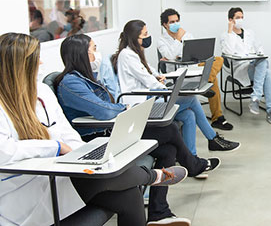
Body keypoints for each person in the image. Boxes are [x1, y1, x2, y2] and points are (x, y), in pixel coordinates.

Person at [0, 33, 188, 226]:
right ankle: (153, 176)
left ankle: (154, 182)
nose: (41, 63)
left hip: (60, 173)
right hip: (23, 192)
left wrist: (81, 153)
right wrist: (56, 147)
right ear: (19, 67)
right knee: (103, 178)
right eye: (35, 59)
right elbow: (4, 152)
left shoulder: (42, 92)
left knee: (129, 194)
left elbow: (66, 131)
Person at [55, 35, 219, 224]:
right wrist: (125, 109)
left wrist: (124, 110)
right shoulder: (70, 83)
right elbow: (104, 110)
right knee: (169, 131)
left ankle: (159, 212)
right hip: (101, 137)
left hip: (114, 129)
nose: (97, 53)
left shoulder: (86, 78)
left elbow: (105, 108)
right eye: (93, 48)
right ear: (80, 54)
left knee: (168, 149)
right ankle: (192, 166)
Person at [111, 20, 240, 156]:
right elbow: (147, 80)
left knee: (189, 115)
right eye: (145, 34)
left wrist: (158, 76)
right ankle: (213, 139)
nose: (148, 36)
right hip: (141, 106)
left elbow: (148, 70)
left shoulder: (134, 52)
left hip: (150, 98)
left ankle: (192, 157)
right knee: (191, 99)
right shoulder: (127, 55)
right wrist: (164, 87)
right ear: (134, 37)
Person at [158, 8, 233, 131]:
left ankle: (207, 79)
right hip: (178, 74)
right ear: (165, 25)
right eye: (172, 22)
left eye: (177, 21)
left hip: (193, 66)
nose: (175, 24)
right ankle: (217, 117)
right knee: (213, 82)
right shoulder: (161, 40)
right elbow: (170, 56)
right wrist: (178, 39)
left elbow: (194, 52)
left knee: (218, 59)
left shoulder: (187, 35)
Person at [220, 7, 271, 126]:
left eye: (242, 17)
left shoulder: (250, 33)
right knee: (267, 73)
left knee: (264, 64)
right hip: (240, 69)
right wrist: (230, 30)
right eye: (237, 18)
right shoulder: (225, 35)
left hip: (254, 66)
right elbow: (228, 51)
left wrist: (258, 54)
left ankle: (256, 99)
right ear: (230, 20)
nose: (240, 20)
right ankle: (270, 110)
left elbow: (260, 48)